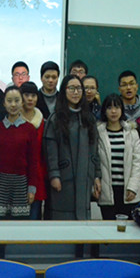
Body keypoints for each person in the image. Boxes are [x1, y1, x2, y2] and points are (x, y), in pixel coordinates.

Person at [44, 74, 101, 220]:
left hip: (85, 177)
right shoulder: (56, 118)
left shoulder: (88, 118)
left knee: (82, 219)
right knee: (62, 219)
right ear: (64, 91)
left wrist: (97, 176)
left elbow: (95, 150)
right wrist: (54, 175)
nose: (76, 92)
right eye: (71, 88)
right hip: (63, 178)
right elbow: (50, 151)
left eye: (79, 88)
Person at [0, 86, 38, 219]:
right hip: (0, 183)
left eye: (17, 100)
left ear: (22, 102)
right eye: (9, 101)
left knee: (19, 226)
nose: (13, 105)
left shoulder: (30, 129)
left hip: (21, 184)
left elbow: (33, 161)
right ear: (4, 103)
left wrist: (32, 188)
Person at [96, 94, 140, 219]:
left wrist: (133, 187)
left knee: (129, 229)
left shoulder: (132, 133)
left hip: (128, 191)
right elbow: (94, 161)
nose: (113, 111)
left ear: (122, 110)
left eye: (117, 107)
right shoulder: (98, 133)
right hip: (107, 191)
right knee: (109, 229)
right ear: (104, 111)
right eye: (109, 108)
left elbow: (138, 163)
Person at [20, 81, 47, 220]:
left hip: (37, 176)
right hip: (17, 177)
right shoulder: (13, 120)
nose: (30, 99)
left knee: (34, 220)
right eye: (26, 95)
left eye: (33, 95)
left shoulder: (44, 123)